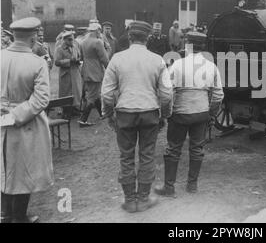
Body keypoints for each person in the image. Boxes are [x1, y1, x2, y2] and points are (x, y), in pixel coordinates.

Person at [101, 20, 173, 213]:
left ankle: (129, 200)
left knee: (126, 156)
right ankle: (143, 199)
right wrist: (164, 115)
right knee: (147, 155)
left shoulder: (117, 59)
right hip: (149, 113)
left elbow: (107, 94)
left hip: (125, 113)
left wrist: (108, 115)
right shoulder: (157, 59)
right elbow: (166, 94)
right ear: (148, 38)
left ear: (130, 37)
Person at [155, 31, 224, 197]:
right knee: (197, 149)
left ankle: (169, 188)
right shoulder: (211, 66)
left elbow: (166, 94)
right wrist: (212, 114)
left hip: (180, 113)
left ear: (187, 46)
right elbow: (218, 95)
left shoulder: (177, 65)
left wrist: (165, 114)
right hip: (201, 114)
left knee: (173, 149)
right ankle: (192, 186)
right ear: (203, 47)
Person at [1, 17, 54, 223]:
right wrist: (14, 116)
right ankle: (17, 217)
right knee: (24, 170)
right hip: (25, 123)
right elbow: (41, 99)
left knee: (3, 167)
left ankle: (5, 214)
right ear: (33, 38)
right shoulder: (37, 62)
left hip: (1, 120)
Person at [78, 23, 109, 127]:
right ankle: (83, 120)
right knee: (92, 95)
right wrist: (109, 69)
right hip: (95, 70)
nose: (100, 33)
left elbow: (81, 57)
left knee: (94, 93)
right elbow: (104, 59)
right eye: (99, 31)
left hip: (86, 70)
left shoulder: (83, 42)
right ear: (97, 30)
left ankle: (102, 114)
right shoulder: (98, 42)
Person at [54, 30, 83, 119]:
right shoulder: (59, 49)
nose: (72, 42)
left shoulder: (75, 47)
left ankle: (75, 109)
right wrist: (69, 61)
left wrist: (78, 60)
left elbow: (79, 56)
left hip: (75, 72)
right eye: (69, 40)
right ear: (65, 40)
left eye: (73, 39)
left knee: (76, 92)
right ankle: (66, 111)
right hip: (66, 74)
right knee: (66, 92)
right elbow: (57, 62)